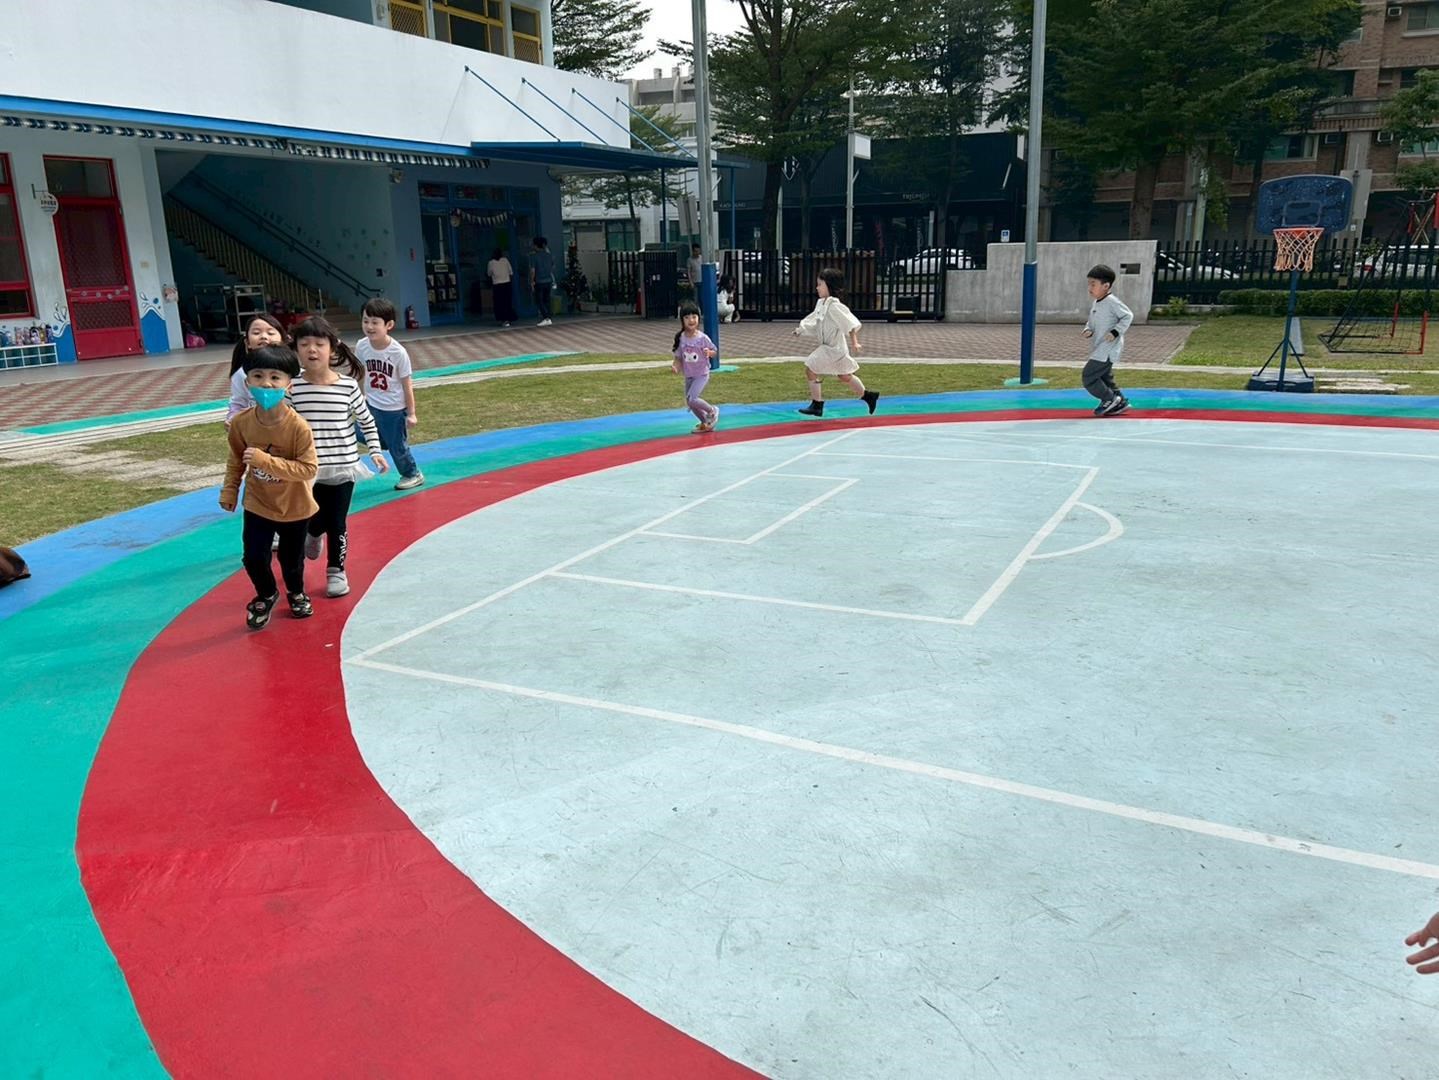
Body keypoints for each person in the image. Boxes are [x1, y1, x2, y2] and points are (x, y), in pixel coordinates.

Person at [219, 345, 318, 630]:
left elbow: (308, 469)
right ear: (247, 381)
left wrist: (265, 461)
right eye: (258, 376)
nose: (266, 384)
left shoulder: (298, 427)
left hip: (295, 507)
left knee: (291, 559)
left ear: (289, 384)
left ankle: (296, 592)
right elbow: (235, 460)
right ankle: (266, 593)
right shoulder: (241, 423)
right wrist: (230, 490)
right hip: (258, 503)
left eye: (275, 377)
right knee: (253, 557)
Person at [289, 316, 387, 599]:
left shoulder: (347, 386)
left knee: (337, 521)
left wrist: (375, 451)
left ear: (332, 348)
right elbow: (283, 425)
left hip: (344, 466)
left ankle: (336, 571)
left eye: (319, 344)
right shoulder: (292, 388)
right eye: (304, 344)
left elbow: (366, 421)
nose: (312, 349)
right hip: (308, 469)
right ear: (296, 349)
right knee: (313, 517)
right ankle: (313, 533)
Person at [356, 297, 424, 491]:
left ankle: (412, 473)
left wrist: (411, 413)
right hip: (371, 403)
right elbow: (361, 372)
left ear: (389, 325)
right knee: (357, 432)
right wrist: (360, 396)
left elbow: (406, 384)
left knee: (397, 447)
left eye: (375, 322)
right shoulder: (362, 346)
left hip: (393, 408)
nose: (369, 326)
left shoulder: (398, 352)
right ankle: (386, 440)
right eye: (365, 321)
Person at [793, 267, 878, 417]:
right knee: (844, 376)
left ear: (829, 286)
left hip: (834, 349)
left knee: (811, 369)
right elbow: (814, 321)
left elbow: (850, 324)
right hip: (831, 348)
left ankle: (817, 404)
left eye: (820, 284)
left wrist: (855, 342)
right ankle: (868, 396)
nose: (817, 287)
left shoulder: (835, 307)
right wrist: (801, 330)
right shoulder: (821, 304)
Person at [1081, 264, 1133, 416]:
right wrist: (1088, 329)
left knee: (1088, 376)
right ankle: (1120, 402)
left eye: (1093, 284)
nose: (1090, 288)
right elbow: (1092, 321)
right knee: (1105, 377)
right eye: (1089, 284)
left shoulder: (1112, 302)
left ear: (1106, 286)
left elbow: (1128, 316)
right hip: (1099, 347)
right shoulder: (1097, 302)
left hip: (1108, 349)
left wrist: (1115, 332)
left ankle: (1109, 399)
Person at [225, 313, 288, 424]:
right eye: (256, 333)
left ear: (282, 340)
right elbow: (238, 403)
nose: (263, 336)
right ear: (247, 343)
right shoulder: (241, 374)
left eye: (270, 333)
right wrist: (232, 420)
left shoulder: (294, 371)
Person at [671, 300, 719, 433]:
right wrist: (675, 367)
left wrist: (709, 353)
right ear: (682, 320)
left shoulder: (702, 338)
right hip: (689, 375)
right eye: (687, 317)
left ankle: (712, 411)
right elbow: (678, 357)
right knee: (690, 403)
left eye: (694, 317)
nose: (691, 320)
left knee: (692, 399)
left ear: (698, 318)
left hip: (701, 374)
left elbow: (714, 351)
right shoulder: (681, 338)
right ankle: (705, 423)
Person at [530, 236, 555, 327]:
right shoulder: (549, 255)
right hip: (548, 280)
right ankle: (549, 317)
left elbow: (533, 270)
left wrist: (532, 281)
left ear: (536, 245)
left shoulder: (534, 256)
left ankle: (546, 318)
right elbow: (552, 267)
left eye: (533, 245)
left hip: (539, 281)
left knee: (539, 301)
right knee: (547, 300)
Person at [487, 247, 515, 327]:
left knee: (499, 303)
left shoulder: (491, 263)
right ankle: (508, 318)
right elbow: (511, 272)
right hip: (507, 284)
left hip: (497, 285)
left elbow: (489, 273)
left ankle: (503, 320)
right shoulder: (505, 260)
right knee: (507, 302)